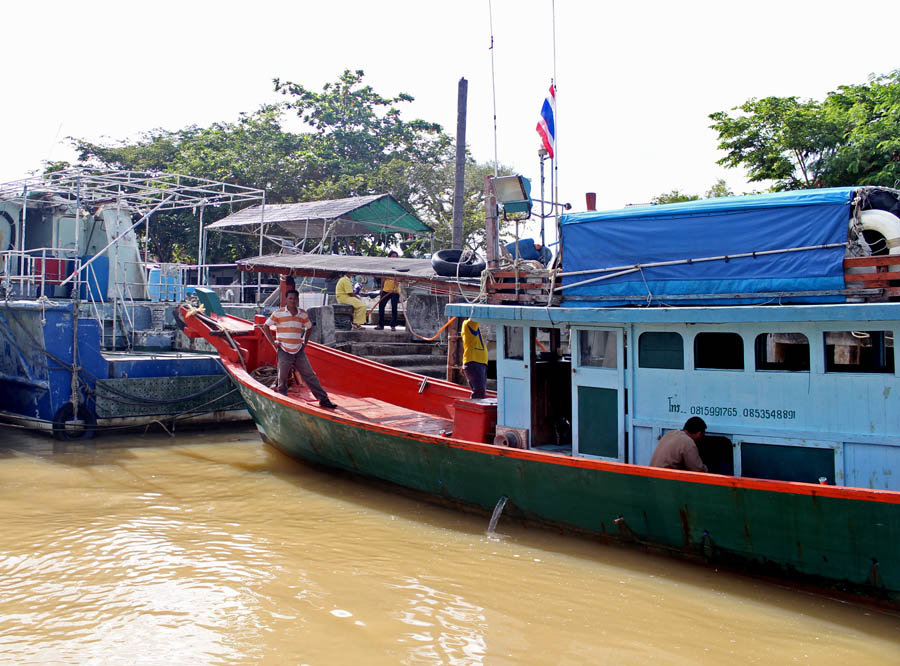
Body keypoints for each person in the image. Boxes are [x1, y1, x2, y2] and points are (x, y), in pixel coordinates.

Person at [257, 289, 337, 409]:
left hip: (298, 350)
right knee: (282, 377)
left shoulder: (303, 314)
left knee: (310, 375)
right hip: (283, 349)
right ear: (286, 300)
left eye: (295, 298)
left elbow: (309, 327)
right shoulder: (278, 313)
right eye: (290, 298)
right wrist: (273, 342)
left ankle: (323, 399)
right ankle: (283, 401)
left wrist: (305, 342)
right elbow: (266, 326)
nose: (293, 301)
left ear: (297, 299)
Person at [461, 317, 488, 399]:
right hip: (474, 362)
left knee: (480, 391)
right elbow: (477, 315)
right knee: (479, 392)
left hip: (479, 362)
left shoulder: (473, 327)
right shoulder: (468, 324)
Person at [376, 250, 401, 330]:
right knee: (381, 305)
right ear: (389, 257)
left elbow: (398, 277)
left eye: (396, 256)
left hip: (395, 290)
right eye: (393, 256)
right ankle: (381, 325)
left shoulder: (399, 266)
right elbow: (383, 278)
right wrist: (381, 289)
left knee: (394, 307)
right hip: (386, 289)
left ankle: (393, 325)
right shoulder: (386, 266)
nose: (394, 258)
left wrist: (395, 288)